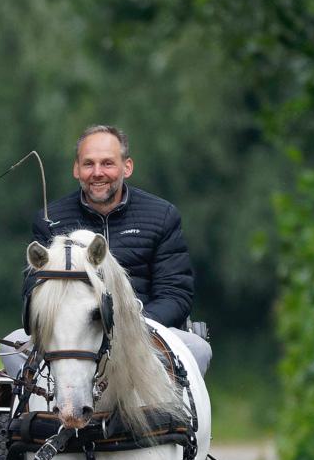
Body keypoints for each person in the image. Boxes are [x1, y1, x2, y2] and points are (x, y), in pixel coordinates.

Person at [11, 124, 212, 377]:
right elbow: (32, 290)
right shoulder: (49, 219)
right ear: (76, 169)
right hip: (69, 336)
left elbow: (176, 293)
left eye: (107, 163)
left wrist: (130, 328)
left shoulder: (162, 215)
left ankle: (169, 417)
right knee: (11, 346)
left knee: (198, 349)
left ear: (127, 167)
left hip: (143, 332)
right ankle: (45, 414)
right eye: (88, 164)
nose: (97, 173)